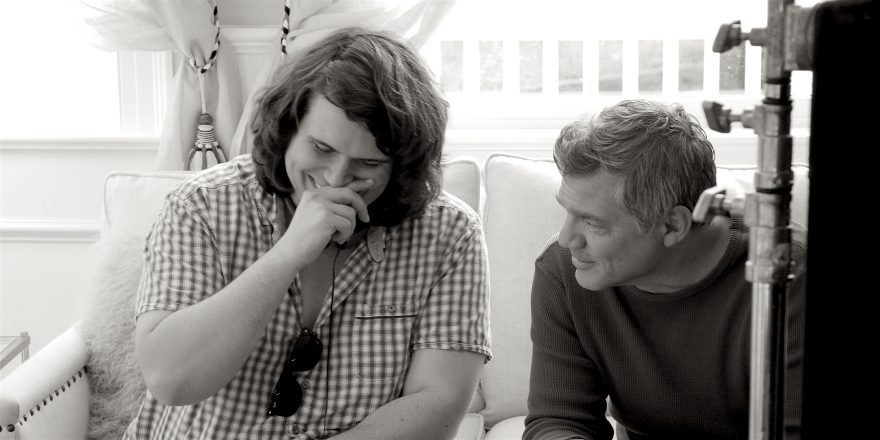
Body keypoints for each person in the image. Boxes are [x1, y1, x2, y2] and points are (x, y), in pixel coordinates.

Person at [124, 27, 491, 440]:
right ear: (288, 131)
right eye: (321, 148)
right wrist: (287, 255)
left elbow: (439, 403)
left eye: (369, 163)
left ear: (401, 167)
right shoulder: (201, 206)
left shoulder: (450, 233)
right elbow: (170, 381)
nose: (336, 178)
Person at [523, 99, 806, 440]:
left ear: (672, 226)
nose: (567, 239)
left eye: (592, 222)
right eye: (568, 212)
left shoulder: (789, 277)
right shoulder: (564, 270)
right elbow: (558, 420)